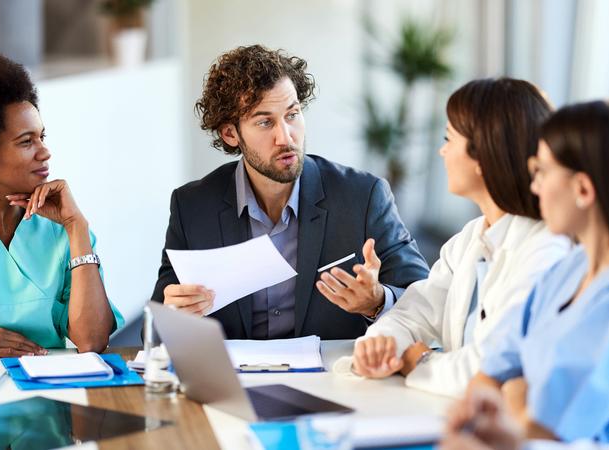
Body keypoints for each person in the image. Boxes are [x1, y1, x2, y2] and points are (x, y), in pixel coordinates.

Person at [441, 95, 609, 450]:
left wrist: (520, 401)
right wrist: (516, 408)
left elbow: (544, 426)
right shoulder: (568, 269)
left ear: (584, 189)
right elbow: (492, 376)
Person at [150, 45, 429, 340]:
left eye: (292, 114)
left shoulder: (363, 196)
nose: (286, 137)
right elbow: (154, 332)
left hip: (332, 379)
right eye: (265, 122)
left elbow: (427, 303)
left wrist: (376, 301)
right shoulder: (192, 207)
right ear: (231, 134)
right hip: (234, 380)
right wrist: (173, 316)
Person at [335, 78, 571, 397]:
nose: (442, 150)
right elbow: (412, 312)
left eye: (449, 139)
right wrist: (380, 346)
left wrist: (418, 362)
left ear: (483, 156)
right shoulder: (470, 239)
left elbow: (489, 369)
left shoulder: (546, 250)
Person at [0, 49, 124, 358]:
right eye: (26, 142)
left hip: (46, 396)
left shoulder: (64, 234)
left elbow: (93, 341)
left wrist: (76, 227)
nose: (45, 152)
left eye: (42, 137)